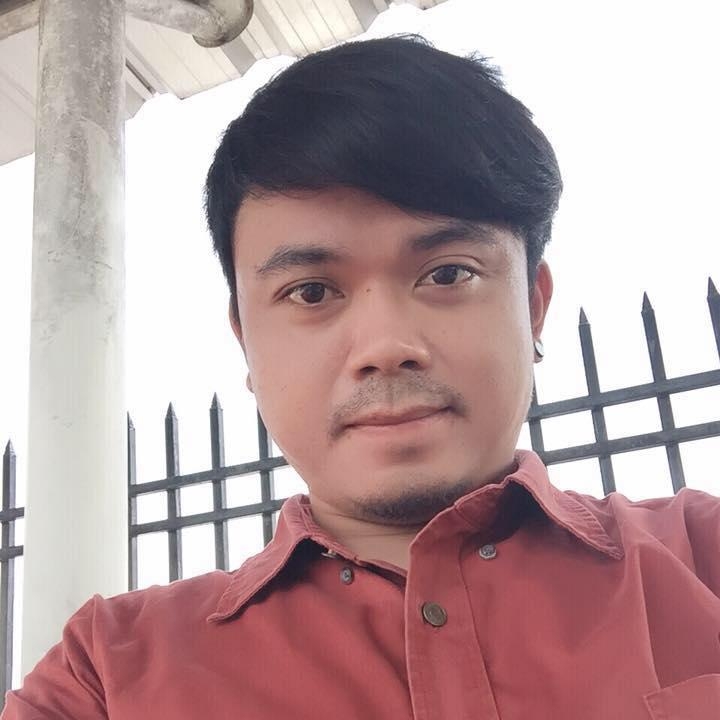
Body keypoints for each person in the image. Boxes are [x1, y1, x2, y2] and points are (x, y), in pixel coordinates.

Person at [3, 35, 719, 720]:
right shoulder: (105, 678)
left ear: (533, 306)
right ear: (245, 343)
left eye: (448, 274)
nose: (386, 347)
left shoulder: (702, 557)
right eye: (312, 291)